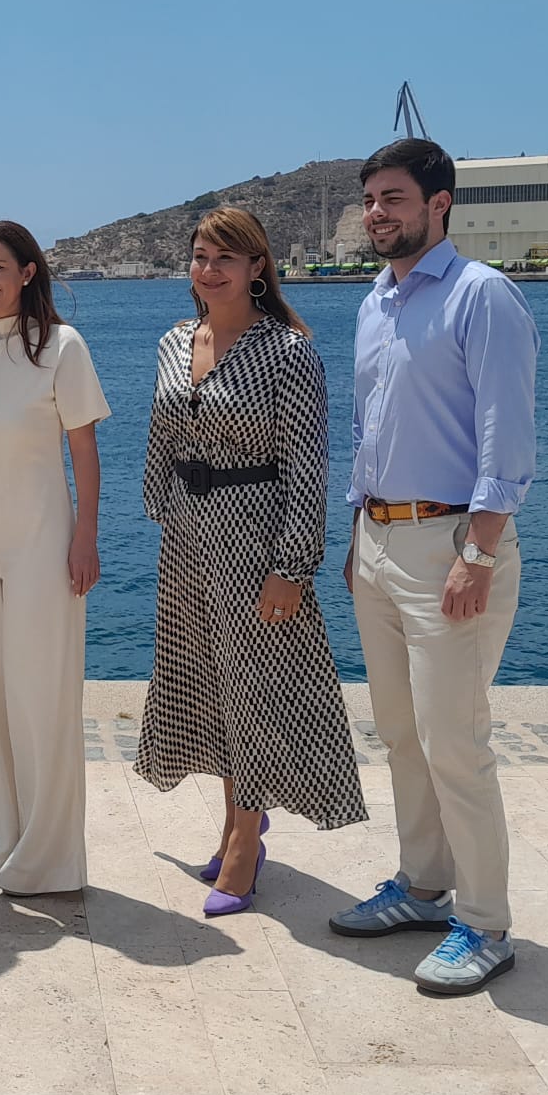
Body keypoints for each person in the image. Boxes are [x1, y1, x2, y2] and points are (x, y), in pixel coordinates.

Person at [329, 137, 538, 996]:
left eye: (394, 199)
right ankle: (423, 885)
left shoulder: (482, 298)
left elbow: (507, 441)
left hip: (454, 544)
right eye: (372, 199)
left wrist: (479, 553)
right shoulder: (375, 302)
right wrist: (355, 538)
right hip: (378, 541)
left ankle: (485, 922)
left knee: (455, 740)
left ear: (439, 204)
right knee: (400, 731)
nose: (379, 213)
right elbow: (368, 432)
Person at [134, 206, 367, 916]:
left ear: (257, 267)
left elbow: (307, 469)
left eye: (224, 259)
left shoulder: (288, 352)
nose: (209, 270)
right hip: (189, 540)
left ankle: (243, 838)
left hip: (255, 537)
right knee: (205, 680)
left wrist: (293, 568)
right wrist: (162, 517)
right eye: (201, 257)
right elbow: (162, 440)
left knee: (257, 689)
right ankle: (244, 816)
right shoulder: (176, 341)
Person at [0, 221, 109, 895]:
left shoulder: (63, 347)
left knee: (41, 697)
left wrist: (85, 537)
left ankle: (49, 859)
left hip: (43, 543)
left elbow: (84, 453)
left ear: (29, 272)